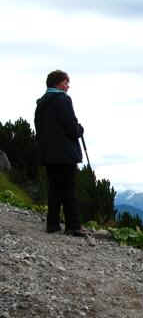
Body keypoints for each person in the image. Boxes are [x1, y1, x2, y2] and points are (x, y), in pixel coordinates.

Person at [35, 70, 87, 237]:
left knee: (54, 189)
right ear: (58, 83)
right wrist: (79, 129)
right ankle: (73, 226)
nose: (68, 86)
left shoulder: (42, 103)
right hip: (65, 153)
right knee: (69, 189)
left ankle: (52, 224)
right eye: (66, 82)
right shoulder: (62, 99)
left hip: (48, 153)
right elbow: (71, 128)